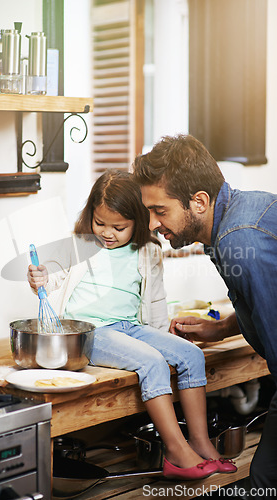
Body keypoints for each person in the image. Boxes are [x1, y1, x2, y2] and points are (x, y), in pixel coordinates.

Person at [28, 170, 236, 480]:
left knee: (191, 356)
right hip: (90, 333)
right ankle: (176, 452)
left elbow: (154, 301)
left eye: (119, 227)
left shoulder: (148, 250)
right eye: (100, 224)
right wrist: (39, 279)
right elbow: (51, 279)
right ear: (90, 217)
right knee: (151, 362)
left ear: (138, 221)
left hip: (130, 327)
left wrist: (165, 336)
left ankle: (201, 442)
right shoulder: (76, 246)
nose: (108, 233)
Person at [132, 134, 277, 493]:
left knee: (261, 484)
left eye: (160, 211)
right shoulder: (233, 218)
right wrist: (222, 328)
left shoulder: (238, 239)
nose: (151, 224)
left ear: (198, 202)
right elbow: (267, 301)